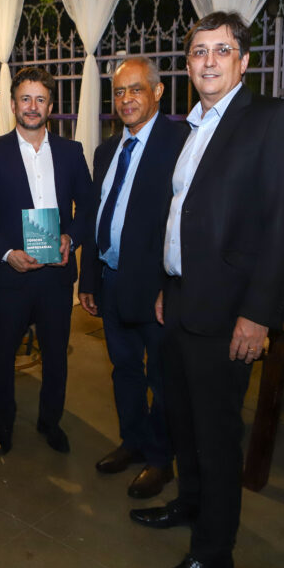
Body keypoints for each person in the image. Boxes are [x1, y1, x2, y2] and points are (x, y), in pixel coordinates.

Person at [129, 12, 284, 568]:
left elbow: (281, 224)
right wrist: (166, 284)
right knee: (183, 420)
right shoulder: (192, 126)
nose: (209, 61)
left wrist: (258, 313)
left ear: (243, 62)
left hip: (228, 313)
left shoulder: (270, 119)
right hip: (179, 300)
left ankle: (213, 553)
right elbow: (182, 213)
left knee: (218, 436)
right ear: (188, 64)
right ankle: (191, 505)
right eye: (199, 51)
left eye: (222, 50)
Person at [79, 57, 189, 498]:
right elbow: (96, 216)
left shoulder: (181, 142)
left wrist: (171, 287)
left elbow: (186, 221)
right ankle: (134, 442)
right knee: (124, 370)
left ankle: (161, 460)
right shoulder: (107, 151)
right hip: (110, 281)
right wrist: (89, 279)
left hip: (156, 289)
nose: (126, 99)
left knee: (162, 379)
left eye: (136, 89)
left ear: (158, 92)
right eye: (120, 91)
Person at [0, 66, 93, 455]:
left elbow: (89, 207)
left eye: (40, 99)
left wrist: (70, 239)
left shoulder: (71, 152)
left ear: (50, 106)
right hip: (9, 276)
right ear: (12, 104)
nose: (33, 106)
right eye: (25, 98)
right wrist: (8, 254)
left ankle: (50, 421)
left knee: (56, 355)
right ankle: (3, 423)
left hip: (56, 275)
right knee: (2, 354)